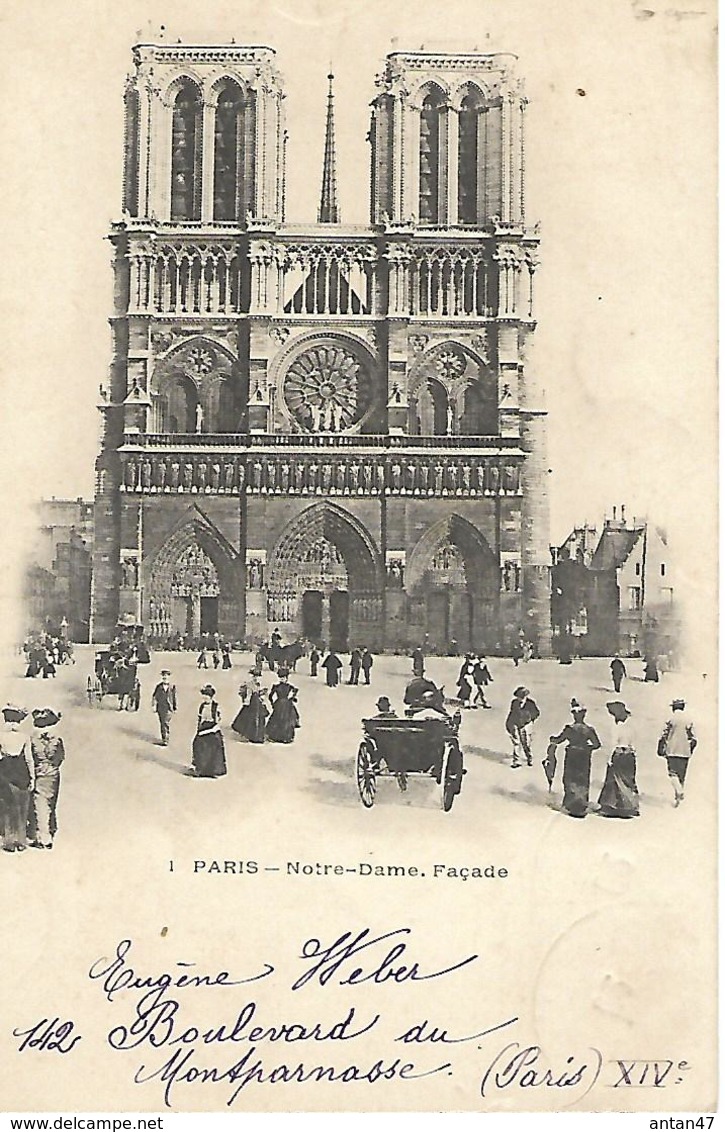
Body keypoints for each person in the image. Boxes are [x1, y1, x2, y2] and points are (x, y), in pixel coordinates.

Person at [549, 700, 602, 817]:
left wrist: (552, 739)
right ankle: (582, 804)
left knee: (570, 778)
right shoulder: (589, 729)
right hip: (584, 755)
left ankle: (571, 804)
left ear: (574, 715)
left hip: (572, 754)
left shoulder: (570, 728)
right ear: (584, 715)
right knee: (582, 779)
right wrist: (588, 748)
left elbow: (558, 740)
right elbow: (597, 744)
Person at [27, 709, 65, 849]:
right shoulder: (56, 738)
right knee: (51, 802)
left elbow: (30, 757)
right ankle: (50, 830)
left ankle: (43, 836)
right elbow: (60, 757)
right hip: (53, 773)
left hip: (39, 772)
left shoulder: (33, 738)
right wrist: (52, 765)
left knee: (39, 804)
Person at [596, 701, 639, 818]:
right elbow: (634, 743)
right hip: (630, 754)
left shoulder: (616, 728)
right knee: (628, 780)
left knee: (613, 780)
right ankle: (630, 805)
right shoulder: (631, 727)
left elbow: (613, 744)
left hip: (619, 753)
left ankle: (611, 806)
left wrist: (609, 758)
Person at [0, 706, 35, 852]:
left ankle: (9, 840)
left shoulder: (1, 735)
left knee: (6, 806)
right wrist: (32, 776)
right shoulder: (24, 736)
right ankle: (21, 841)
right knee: (22, 806)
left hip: (5, 770)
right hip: (21, 771)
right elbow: (29, 759)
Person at [658, 698, 697, 807]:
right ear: (683, 707)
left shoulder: (670, 719)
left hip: (672, 750)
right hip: (685, 751)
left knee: (672, 773)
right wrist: (690, 749)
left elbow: (663, 734)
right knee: (681, 776)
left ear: (674, 707)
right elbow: (694, 738)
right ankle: (678, 800)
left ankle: (679, 793)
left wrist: (661, 747)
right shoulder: (688, 719)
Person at [191, 686, 226, 778]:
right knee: (197, 744)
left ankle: (213, 771)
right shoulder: (202, 706)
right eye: (203, 697)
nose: (204, 699)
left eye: (206, 697)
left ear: (211, 697)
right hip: (204, 728)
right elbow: (200, 719)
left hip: (213, 729)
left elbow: (218, 722)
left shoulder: (216, 706)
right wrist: (199, 730)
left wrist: (210, 730)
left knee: (214, 749)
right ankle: (199, 769)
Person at [505, 686, 540, 768]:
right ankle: (516, 761)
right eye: (518, 697)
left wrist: (530, 719)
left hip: (526, 725)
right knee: (516, 742)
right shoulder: (514, 703)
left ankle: (529, 757)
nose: (519, 699)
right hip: (516, 724)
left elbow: (536, 713)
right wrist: (509, 724)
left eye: (520, 697)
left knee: (526, 743)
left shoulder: (530, 703)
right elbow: (512, 714)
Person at [231, 675, 268, 743]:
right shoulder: (249, 685)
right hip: (252, 703)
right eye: (254, 676)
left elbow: (263, 694)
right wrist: (246, 703)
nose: (256, 678)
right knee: (251, 719)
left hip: (258, 703)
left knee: (260, 719)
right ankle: (252, 735)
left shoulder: (260, 684)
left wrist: (263, 699)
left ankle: (259, 736)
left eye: (258, 676)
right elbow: (248, 694)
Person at [266, 671, 300, 743]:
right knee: (277, 719)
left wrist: (292, 698)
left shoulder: (289, 686)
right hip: (279, 704)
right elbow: (270, 696)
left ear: (286, 679)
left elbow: (296, 690)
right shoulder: (276, 686)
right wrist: (272, 704)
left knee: (287, 720)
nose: (282, 679)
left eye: (283, 678)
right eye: (281, 678)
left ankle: (286, 737)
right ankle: (275, 736)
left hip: (287, 705)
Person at [151, 670, 177, 745]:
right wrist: (154, 705)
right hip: (160, 707)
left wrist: (175, 707)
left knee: (166, 722)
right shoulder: (159, 686)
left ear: (169, 677)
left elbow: (174, 697)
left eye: (166, 676)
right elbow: (154, 696)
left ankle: (166, 739)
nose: (165, 677)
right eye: (164, 676)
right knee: (162, 723)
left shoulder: (172, 687)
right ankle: (164, 738)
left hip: (169, 707)